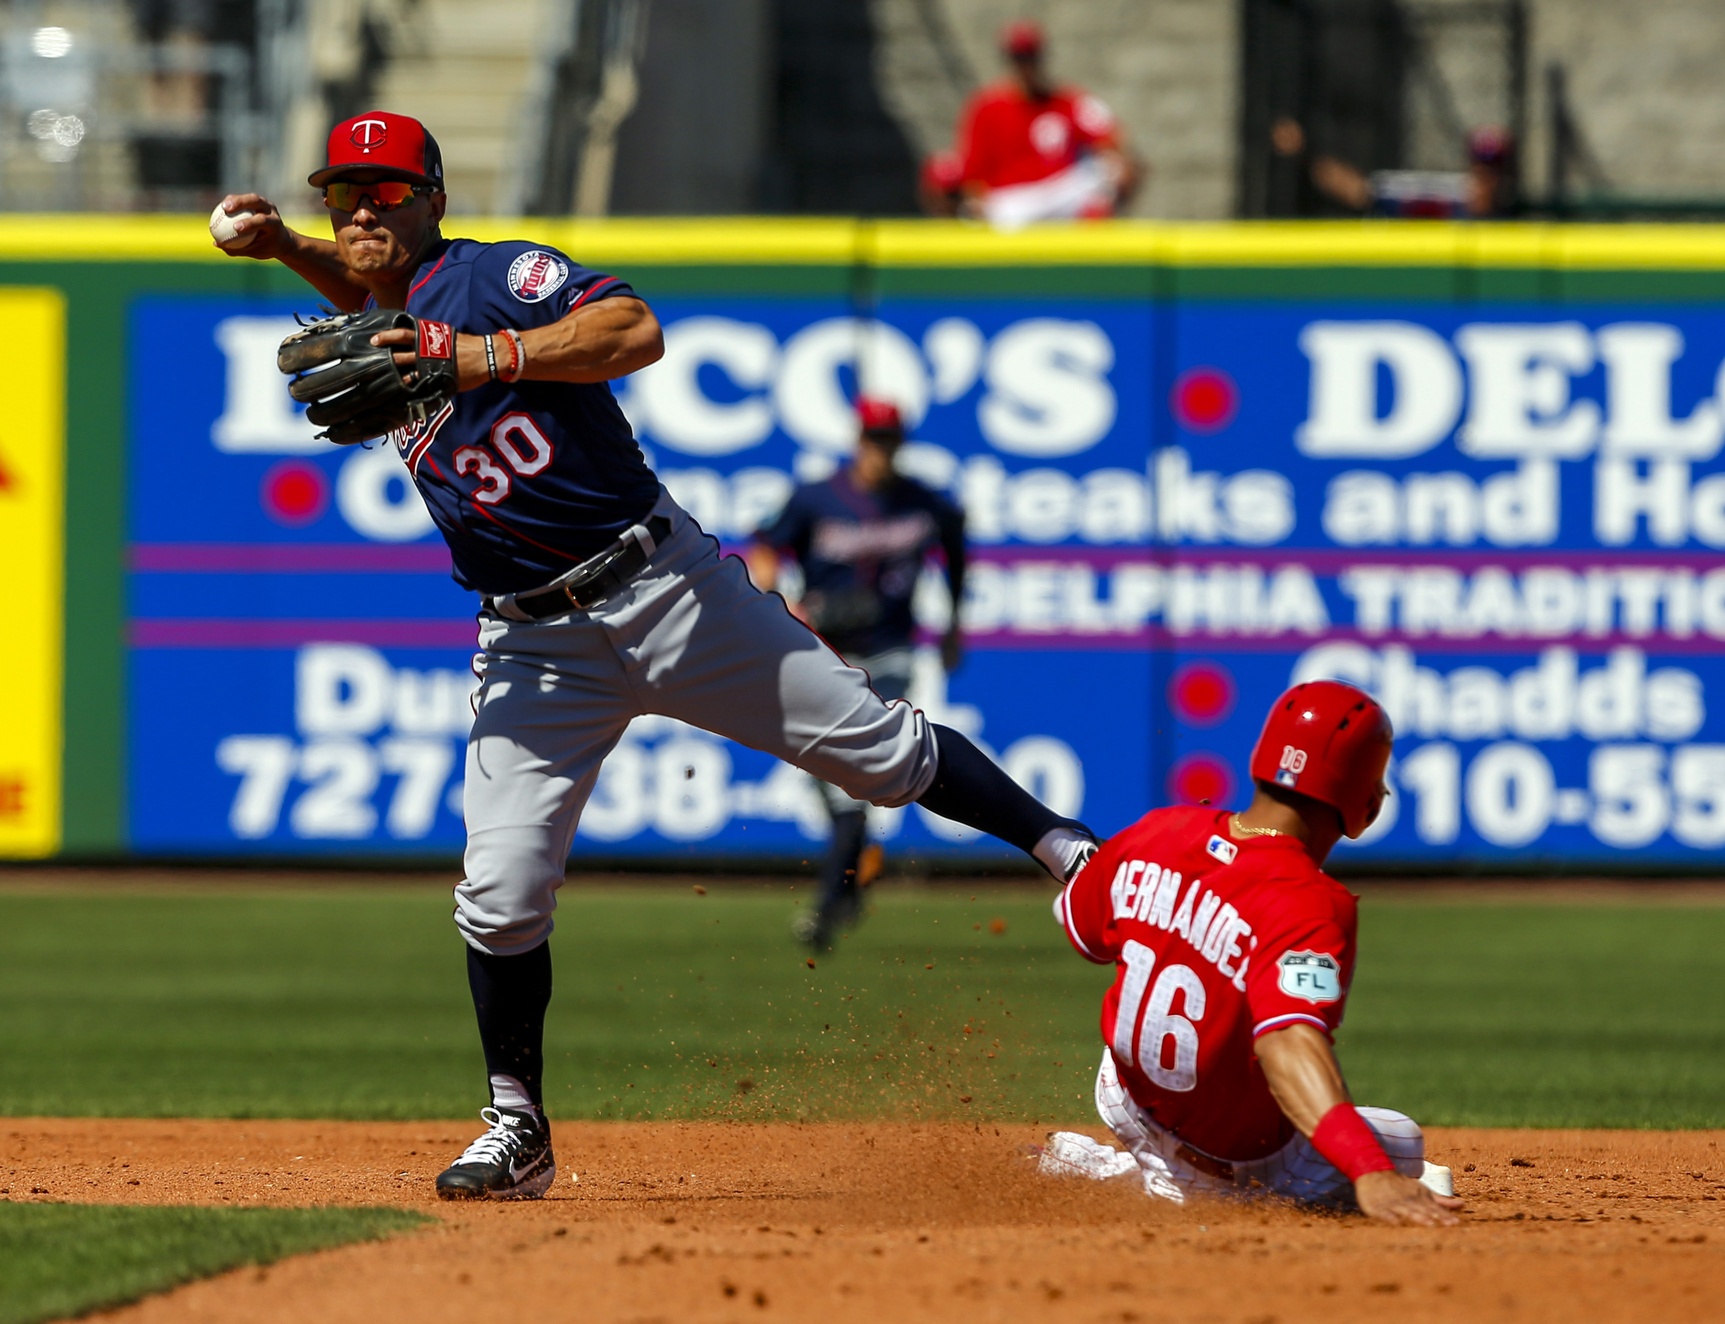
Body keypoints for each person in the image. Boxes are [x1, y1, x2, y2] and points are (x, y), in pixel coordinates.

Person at [212, 110, 1097, 1202]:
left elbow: (632, 327)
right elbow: (385, 304)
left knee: (883, 753)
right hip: (531, 639)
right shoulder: (392, 301)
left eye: (383, 191)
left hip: (664, 588)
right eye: (341, 193)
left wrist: (489, 354)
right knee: (498, 891)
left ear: (432, 197)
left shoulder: (492, 278)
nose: (359, 209)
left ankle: (1070, 854)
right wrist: (289, 251)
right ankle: (517, 1124)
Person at [1041, 680, 1463, 1226]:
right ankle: (1151, 1180)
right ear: (1366, 802)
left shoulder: (1159, 829)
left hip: (1125, 1095)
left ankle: (1139, 1165)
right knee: (1401, 1145)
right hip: (1230, 1157)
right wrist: (1368, 1171)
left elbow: (1078, 926)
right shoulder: (1313, 904)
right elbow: (1288, 1040)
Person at [749, 398, 966, 949]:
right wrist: (782, 601)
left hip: (891, 653)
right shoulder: (817, 496)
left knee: (857, 775)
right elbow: (766, 551)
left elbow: (958, 551)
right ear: (857, 438)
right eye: (874, 437)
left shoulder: (924, 501)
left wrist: (955, 624)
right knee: (829, 774)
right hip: (824, 652)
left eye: (889, 438)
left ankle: (825, 908)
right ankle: (851, 879)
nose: (881, 448)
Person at [955, 19, 1140, 228]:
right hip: (1012, 202)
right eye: (1020, 58)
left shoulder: (1067, 100)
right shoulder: (986, 106)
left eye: (1031, 57)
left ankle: (1095, 249)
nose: (1026, 66)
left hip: (1060, 194)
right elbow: (972, 171)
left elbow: (1113, 138)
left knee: (1112, 167)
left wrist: (1118, 160)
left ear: (1042, 57)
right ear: (1009, 60)